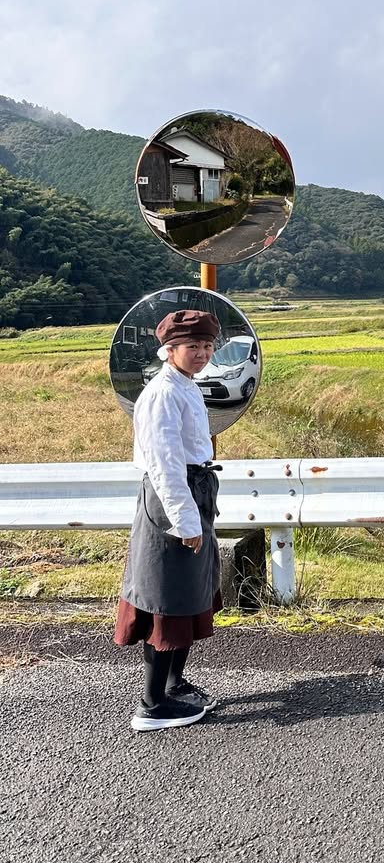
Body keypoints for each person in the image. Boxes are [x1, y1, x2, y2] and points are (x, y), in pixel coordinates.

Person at [114, 309, 225, 731]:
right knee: (166, 596)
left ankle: (174, 685)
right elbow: (163, 465)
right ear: (169, 349)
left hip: (192, 492)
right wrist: (186, 521)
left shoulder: (185, 385)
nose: (202, 353)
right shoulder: (162, 393)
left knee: (187, 593)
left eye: (207, 346)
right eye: (192, 346)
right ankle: (152, 704)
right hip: (172, 501)